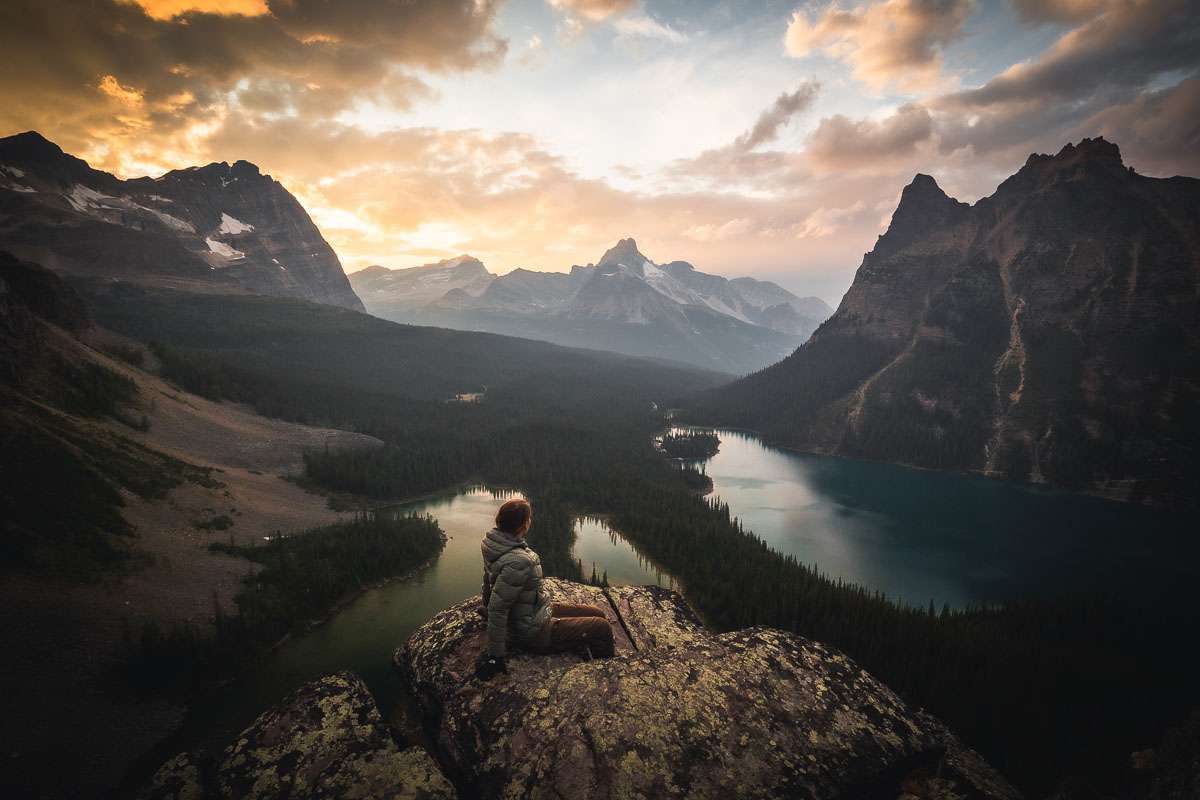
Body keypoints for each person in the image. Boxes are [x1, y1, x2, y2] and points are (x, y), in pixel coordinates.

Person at [476, 498, 615, 680]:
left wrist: (486, 607)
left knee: (598, 613)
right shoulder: (519, 561)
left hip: (535, 612)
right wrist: (495, 658)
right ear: (525, 525)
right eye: (529, 519)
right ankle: (608, 674)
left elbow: (488, 581)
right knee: (603, 628)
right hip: (534, 633)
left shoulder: (493, 544)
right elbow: (498, 607)